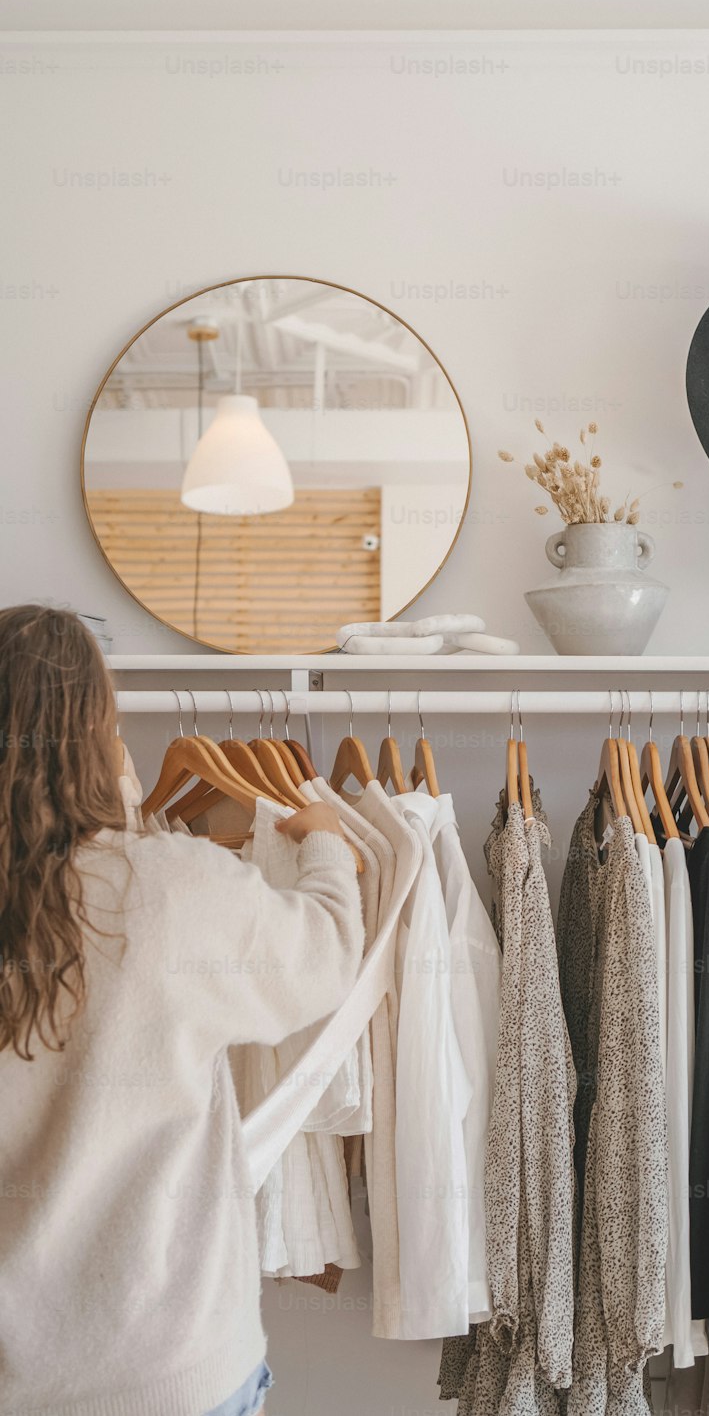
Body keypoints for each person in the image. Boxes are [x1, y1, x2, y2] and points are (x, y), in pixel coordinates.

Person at [0, 605, 365, 1416]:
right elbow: (325, 956)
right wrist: (327, 840)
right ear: (99, 731)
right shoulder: (168, 886)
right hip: (171, 1365)